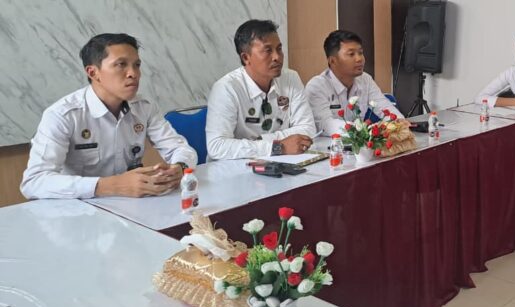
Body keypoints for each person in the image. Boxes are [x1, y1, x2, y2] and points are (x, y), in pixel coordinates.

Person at [21, 34, 197, 199]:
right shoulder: (63, 115)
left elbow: (182, 150)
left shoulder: (144, 107)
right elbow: (34, 182)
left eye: (136, 65)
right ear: (93, 73)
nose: (133, 73)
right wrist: (110, 186)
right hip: (78, 208)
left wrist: (179, 168)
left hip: (131, 205)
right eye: (121, 64)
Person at [206, 19, 316, 160]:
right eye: (268, 50)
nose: (277, 57)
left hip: (281, 161)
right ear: (246, 57)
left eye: (279, 49)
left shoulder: (291, 78)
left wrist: (261, 141)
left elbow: (308, 128)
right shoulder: (226, 88)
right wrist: (278, 147)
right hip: (233, 167)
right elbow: (217, 146)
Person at [306, 30, 403, 135]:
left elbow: (385, 108)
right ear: (333, 61)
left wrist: (399, 122)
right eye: (351, 54)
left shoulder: (365, 79)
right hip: (328, 143)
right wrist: (365, 130)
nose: (359, 59)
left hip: (360, 141)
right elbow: (326, 125)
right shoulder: (317, 86)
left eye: (360, 53)